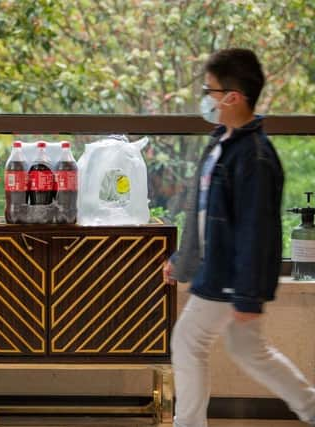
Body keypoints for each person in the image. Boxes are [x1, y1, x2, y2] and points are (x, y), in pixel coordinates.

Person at [164, 48, 315, 427]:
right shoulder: (220, 143)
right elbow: (200, 214)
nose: (205, 97)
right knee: (248, 350)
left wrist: (247, 295)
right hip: (219, 272)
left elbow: (257, 232)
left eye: (209, 89)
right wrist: (182, 261)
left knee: (188, 343)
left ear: (233, 96)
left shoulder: (255, 158)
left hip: (229, 278)